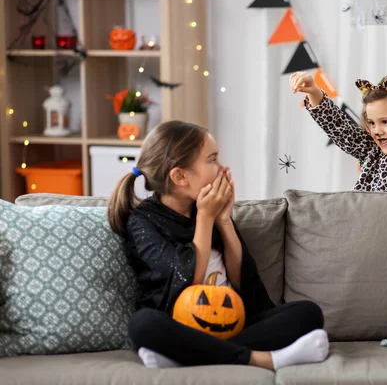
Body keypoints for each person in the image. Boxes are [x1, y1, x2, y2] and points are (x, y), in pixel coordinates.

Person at [107, 120, 328, 370]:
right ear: (179, 176)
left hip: (231, 321)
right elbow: (186, 280)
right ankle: (260, 359)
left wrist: (223, 220)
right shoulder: (143, 220)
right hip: (178, 324)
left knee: (308, 313)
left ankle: (183, 357)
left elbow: (241, 281)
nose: (222, 168)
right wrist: (205, 218)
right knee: (143, 324)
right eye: (212, 160)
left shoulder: (211, 210)